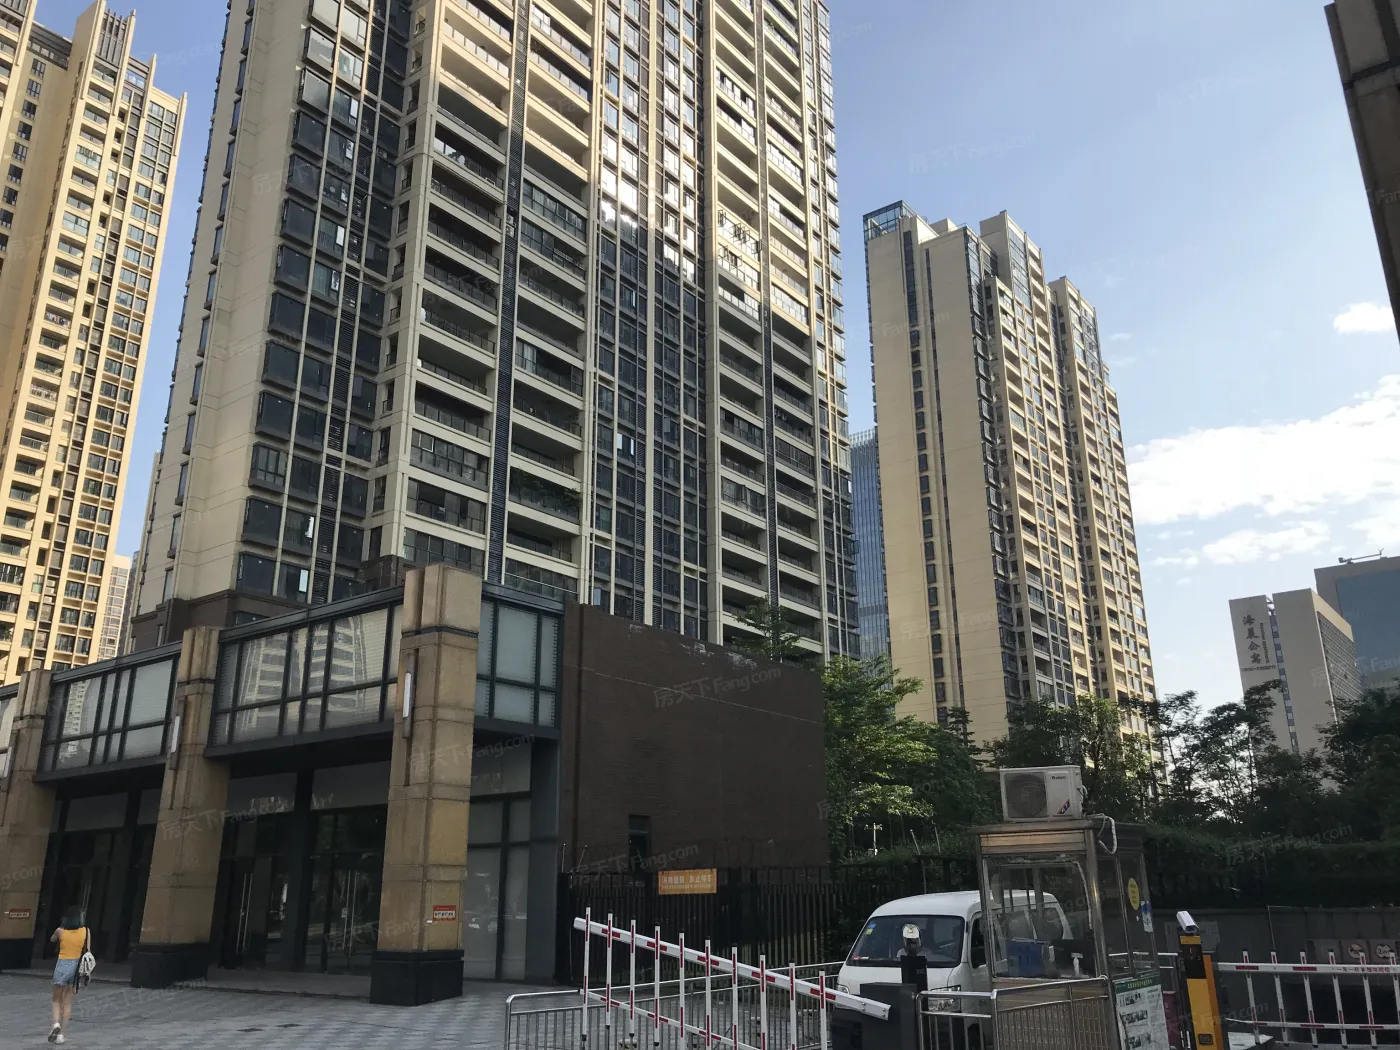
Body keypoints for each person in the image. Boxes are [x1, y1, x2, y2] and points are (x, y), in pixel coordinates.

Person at [47, 907, 88, 1044]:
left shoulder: (60, 931)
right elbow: (88, 949)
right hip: (76, 967)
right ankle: (61, 1035)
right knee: (68, 1001)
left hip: (62, 964)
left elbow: (52, 939)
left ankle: (55, 1025)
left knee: (56, 999)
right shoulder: (85, 931)